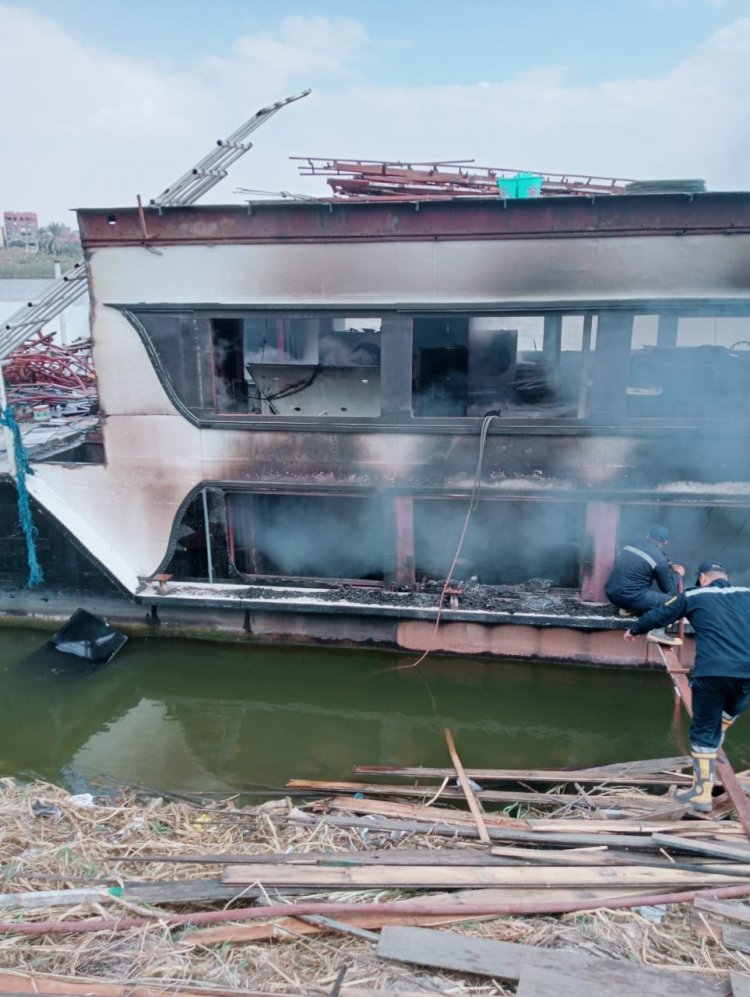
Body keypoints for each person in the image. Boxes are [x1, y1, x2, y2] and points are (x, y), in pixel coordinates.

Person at [624, 560, 750, 812]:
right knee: (724, 717)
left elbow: (662, 613)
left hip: (712, 674)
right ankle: (719, 731)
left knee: (703, 733)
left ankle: (701, 796)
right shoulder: (747, 594)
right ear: (725, 576)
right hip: (747, 675)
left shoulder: (694, 594)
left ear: (703, 577)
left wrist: (634, 629)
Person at [605, 524, 685, 646]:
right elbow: (666, 588)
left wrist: (669, 564)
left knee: (643, 591)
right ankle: (657, 632)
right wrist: (678, 574)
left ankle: (628, 609)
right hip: (631, 597)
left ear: (647, 536)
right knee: (673, 601)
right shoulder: (660, 560)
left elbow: (648, 558)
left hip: (611, 593)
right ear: (665, 542)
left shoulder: (630, 545)